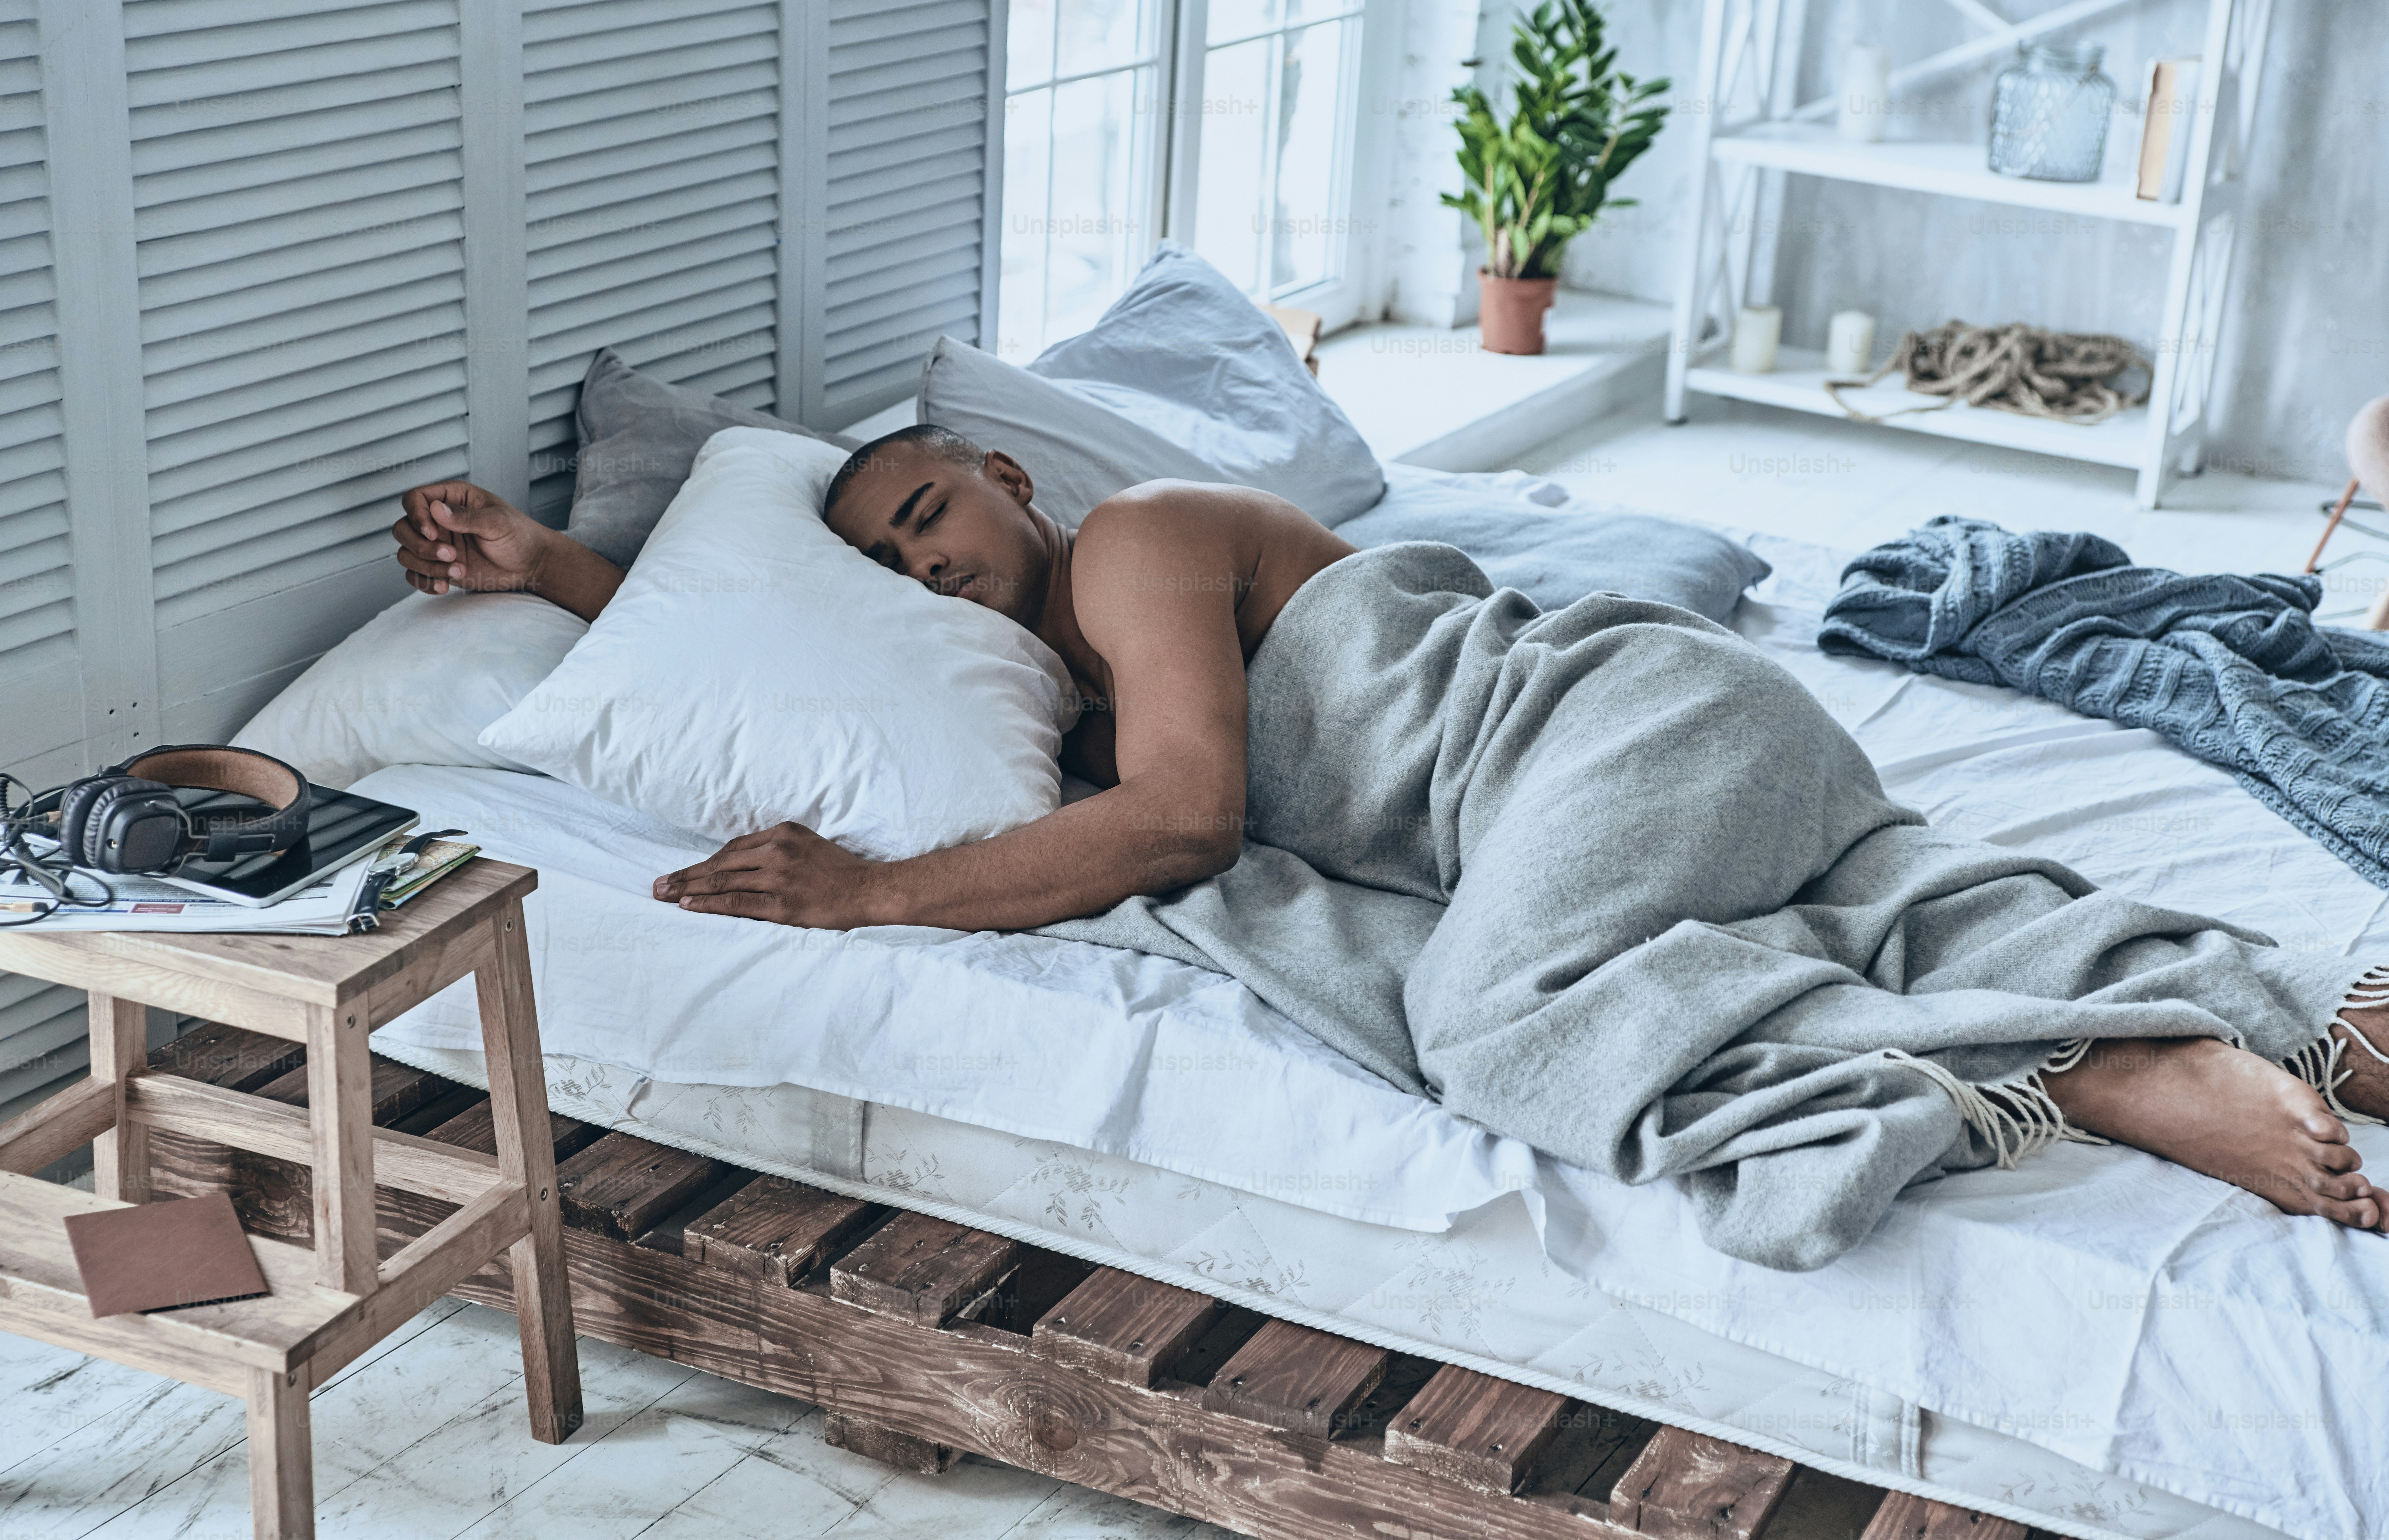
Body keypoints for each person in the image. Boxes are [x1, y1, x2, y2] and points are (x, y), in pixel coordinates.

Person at [392, 426, 2389, 1242]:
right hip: (1679, 769)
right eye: (893, 569)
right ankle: (2300, 1019)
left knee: (1496, 1027)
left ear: (1004, 473)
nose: (931, 568)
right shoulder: (1039, 681)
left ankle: (2095, 1072)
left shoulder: (1141, 548)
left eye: (929, 515)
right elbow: (773, 662)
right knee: (1901, 912)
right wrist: (562, 568)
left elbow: (1180, 820)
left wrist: (884, 897)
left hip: (1621, 721)